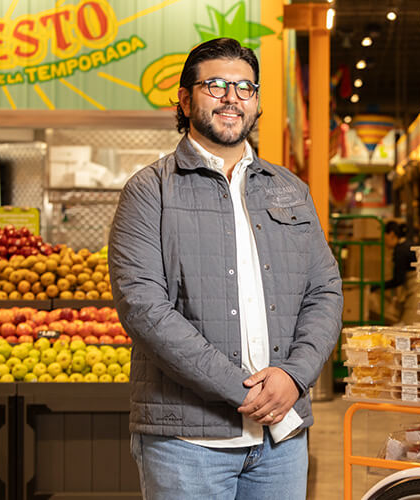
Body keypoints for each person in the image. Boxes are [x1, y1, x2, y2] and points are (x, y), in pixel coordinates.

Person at [108, 38, 342, 499]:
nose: (232, 97)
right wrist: (248, 390)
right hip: (187, 442)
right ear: (184, 98)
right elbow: (144, 309)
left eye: (244, 87)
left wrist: (294, 376)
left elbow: (325, 290)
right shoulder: (149, 191)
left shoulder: (289, 189)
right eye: (215, 85)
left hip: (281, 440)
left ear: (255, 102)